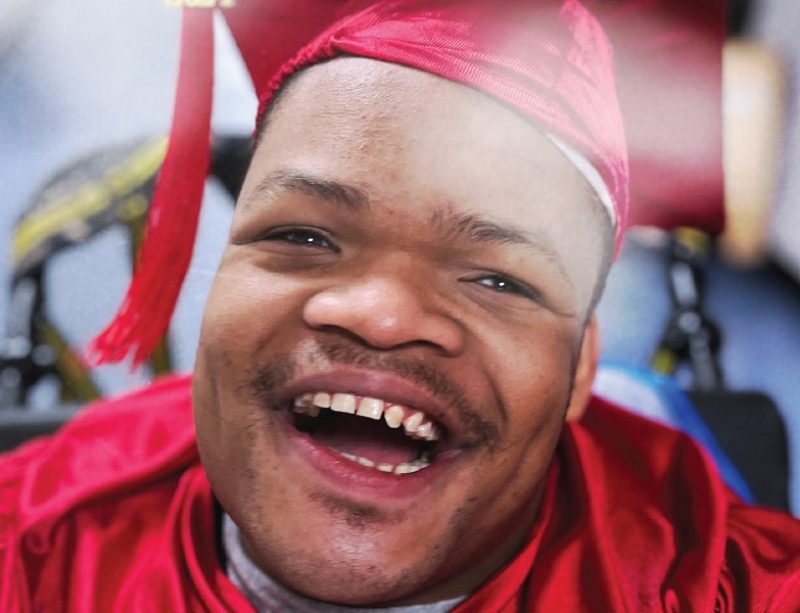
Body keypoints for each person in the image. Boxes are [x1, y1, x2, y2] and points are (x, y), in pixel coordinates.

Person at [2, 0, 799, 611]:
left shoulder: (723, 586)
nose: (381, 314)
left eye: (498, 279)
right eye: (305, 235)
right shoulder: (32, 552)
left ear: (579, 368)